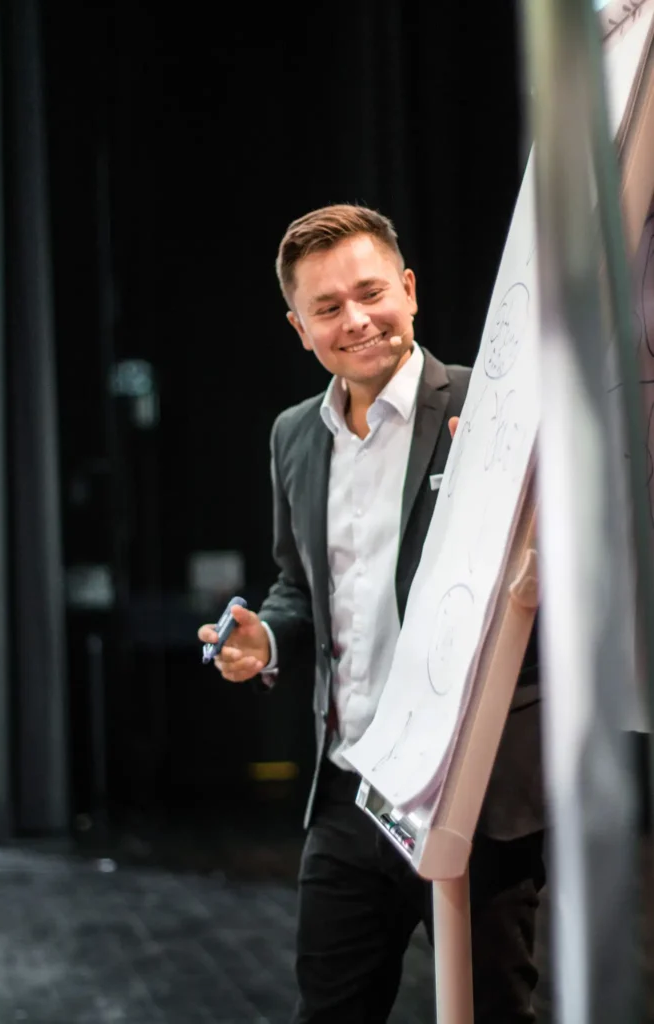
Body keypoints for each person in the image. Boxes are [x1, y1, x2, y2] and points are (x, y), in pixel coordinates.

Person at [198, 204, 544, 1023]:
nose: (355, 320)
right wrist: (267, 637)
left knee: (491, 1009)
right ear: (299, 328)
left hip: (470, 784)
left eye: (370, 292)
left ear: (409, 290)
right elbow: (298, 586)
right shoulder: (294, 436)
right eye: (326, 307)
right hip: (350, 790)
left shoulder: (488, 406)